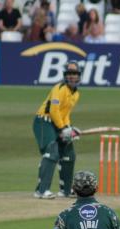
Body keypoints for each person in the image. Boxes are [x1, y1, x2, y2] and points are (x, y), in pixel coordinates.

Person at [32, 61, 82, 199]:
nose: (72, 77)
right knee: (52, 150)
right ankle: (41, 191)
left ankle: (66, 190)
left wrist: (69, 129)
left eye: (75, 74)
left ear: (79, 76)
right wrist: (62, 128)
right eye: (70, 74)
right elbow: (54, 111)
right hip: (44, 121)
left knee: (69, 153)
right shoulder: (59, 88)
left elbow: (65, 114)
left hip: (57, 124)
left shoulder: (76, 94)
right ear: (65, 75)